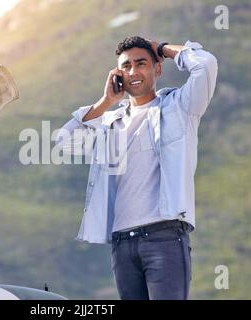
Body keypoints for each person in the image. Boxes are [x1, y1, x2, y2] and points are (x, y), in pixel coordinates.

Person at [56, 36, 218, 300]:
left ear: (157, 68)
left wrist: (163, 49)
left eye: (141, 63)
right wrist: (106, 101)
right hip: (122, 244)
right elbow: (65, 142)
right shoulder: (110, 121)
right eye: (126, 66)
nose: (133, 71)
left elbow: (206, 65)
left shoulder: (180, 107)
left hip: (164, 237)